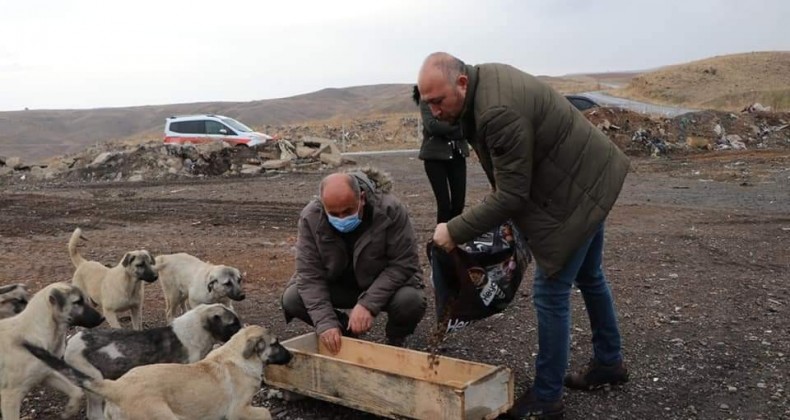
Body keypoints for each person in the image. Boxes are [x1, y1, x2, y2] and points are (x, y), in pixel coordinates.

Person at [418, 52, 630, 419]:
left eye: (439, 101)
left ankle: (547, 398)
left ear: (462, 83)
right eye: (428, 103)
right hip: (590, 174)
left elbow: (512, 194)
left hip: (574, 193)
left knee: (551, 293)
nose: (434, 112)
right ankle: (609, 362)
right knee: (590, 275)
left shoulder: (495, 112)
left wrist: (453, 230)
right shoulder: (486, 82)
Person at [281, 167, 426, 354]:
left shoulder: (390, 210)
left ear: (362, 198)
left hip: (379, 282)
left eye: (348, 210)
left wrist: (368, 304)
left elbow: (403, 264)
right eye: (334, 213)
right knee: (293, 298)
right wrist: (325, 323)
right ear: (323, 206)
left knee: (410, 301)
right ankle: (343, 334)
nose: (342, 218)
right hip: (339, 284)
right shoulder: (311, 217)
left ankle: (396, 337)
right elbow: (309, 274)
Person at [412, 85, 469, 223]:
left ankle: (452, 239)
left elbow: (467, 124)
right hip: (434, 158)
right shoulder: (426, 99)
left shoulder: (458, 99)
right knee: (444, 205)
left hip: (457, 155)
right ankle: (440, 242)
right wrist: (456, 128)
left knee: (458, 204)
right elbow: (432, 126)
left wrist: (450, 128)